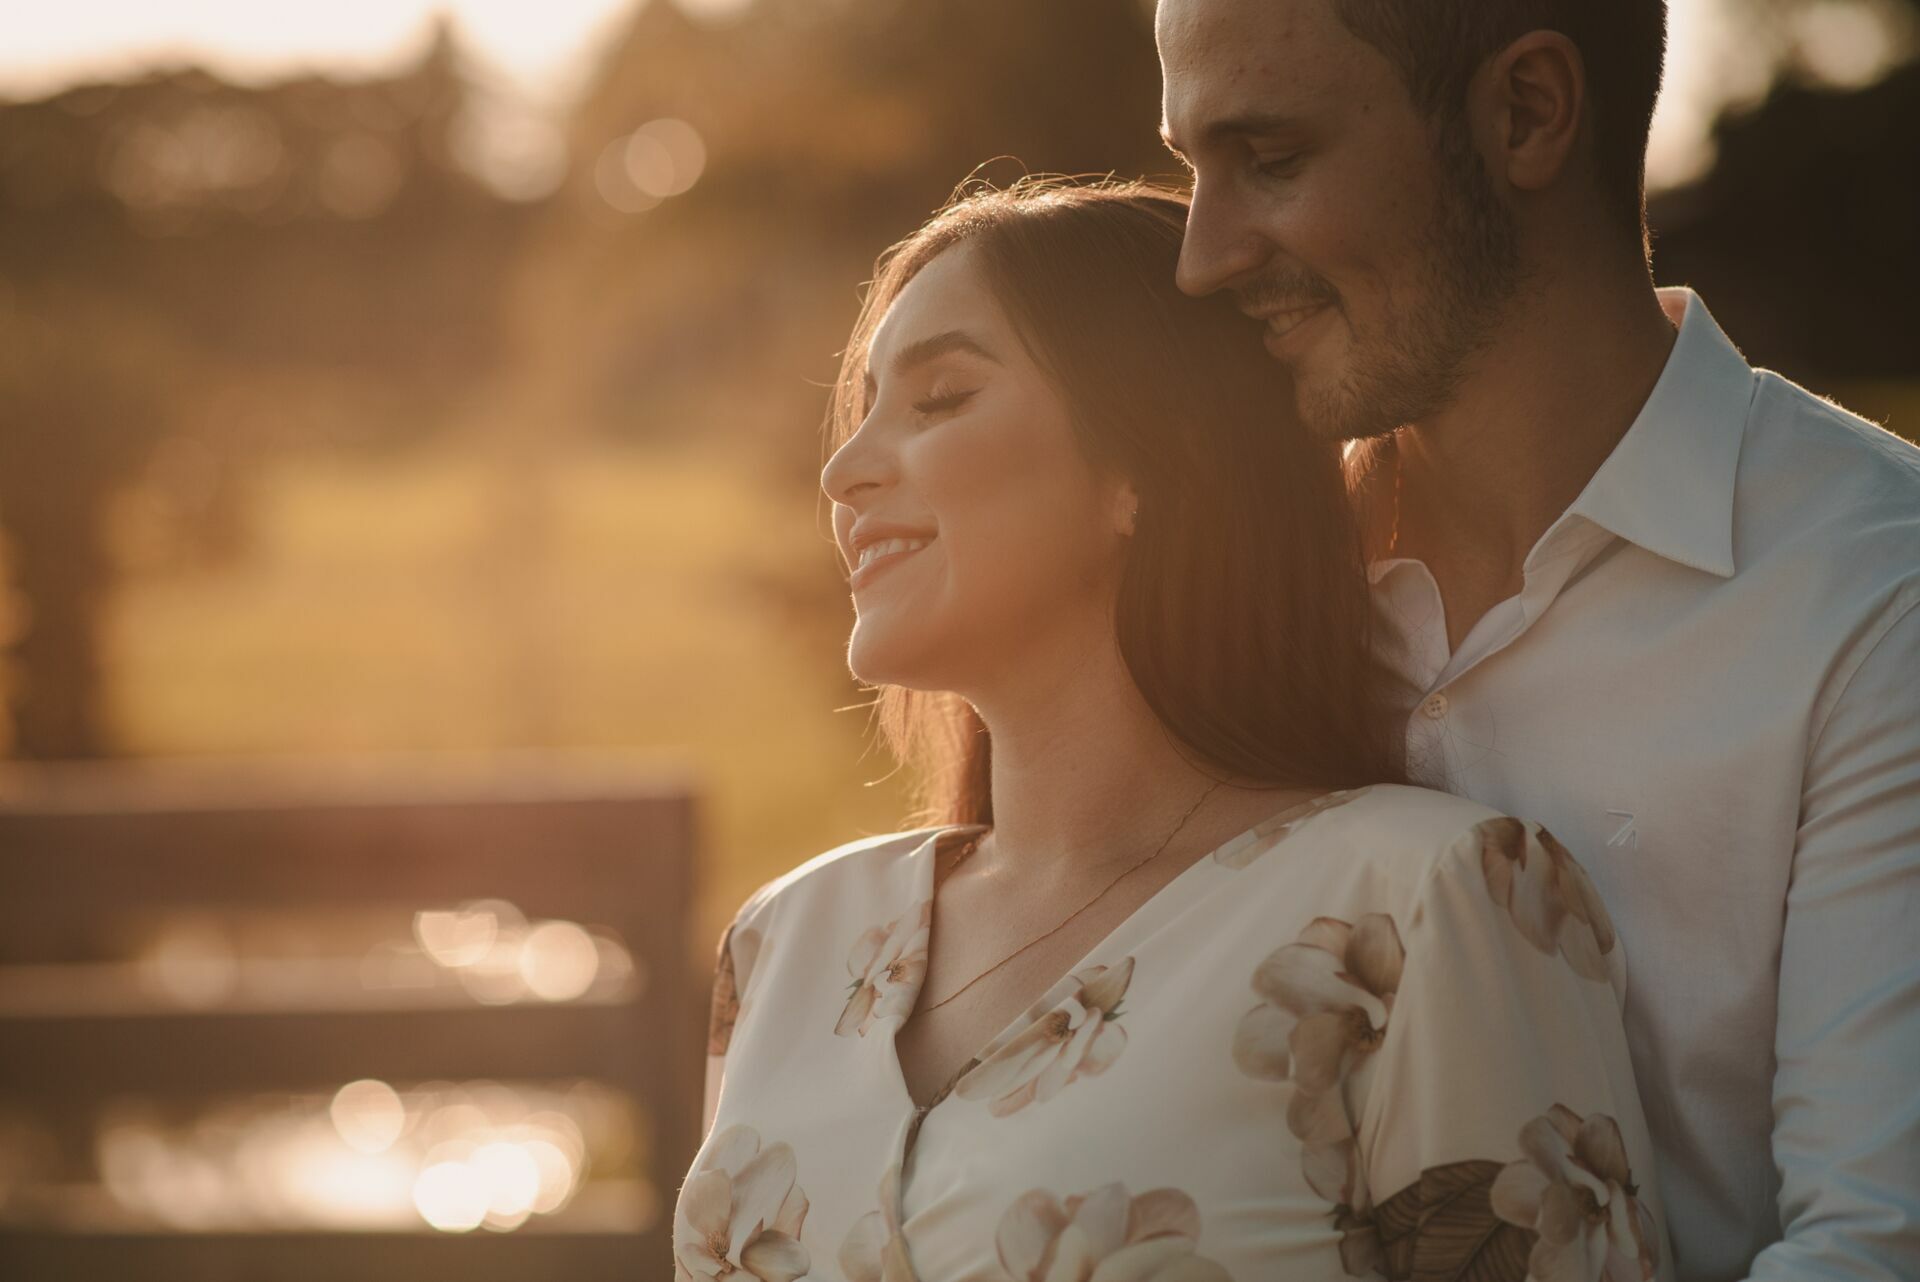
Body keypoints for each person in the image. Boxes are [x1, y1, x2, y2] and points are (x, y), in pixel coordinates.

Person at [676, 179, 1669, 1282]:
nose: (842, 471)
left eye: (940, 398)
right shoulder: (786, 944)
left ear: (1145, 466)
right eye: (863, 409)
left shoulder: (1425, 907)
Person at [1155, 2, 1920, 1280]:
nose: (1203, 257)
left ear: (1527, 113)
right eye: (1191, 169)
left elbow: (1873, 1248)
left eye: (1271, 159)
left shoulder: (1877, 599)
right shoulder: (1225, 588)